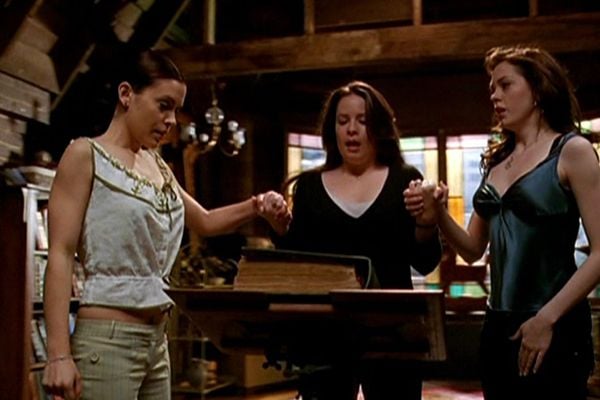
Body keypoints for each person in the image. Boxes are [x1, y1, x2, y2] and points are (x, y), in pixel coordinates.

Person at [41, 49, 291, 400]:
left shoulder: (157, 166)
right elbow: (61, 253)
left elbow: (204, 221)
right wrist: (58, 355)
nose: (172, 120)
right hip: (107, 341)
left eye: (175, 109)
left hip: (157, 341)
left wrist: (257, 206)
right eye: (164, 105)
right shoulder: (86, 155)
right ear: (127, 94)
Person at [405, 45, 600, 400]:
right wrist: (438, 214)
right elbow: (471, 250)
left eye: (505, 85)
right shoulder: (497, 162)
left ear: (538, 88)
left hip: (554, 321)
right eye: (492, 88)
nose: (494, 95)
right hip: (497, 325)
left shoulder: (572, 151)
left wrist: (547, 319)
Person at [272, 80, 442, 400]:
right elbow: (298, 263)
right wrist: (278, 227)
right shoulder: (309, 186)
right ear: (332, 129)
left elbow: (425, 262)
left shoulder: (405, 180)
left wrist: (427, 221)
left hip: (393, 334)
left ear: (379, 128)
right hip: (324, 335)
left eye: (362, 121)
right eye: (343, 121)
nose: (352, 129)